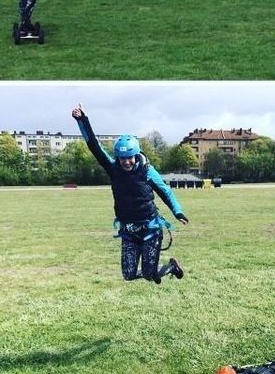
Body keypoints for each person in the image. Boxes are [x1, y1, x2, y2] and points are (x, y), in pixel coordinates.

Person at [71, 104, 189, 284]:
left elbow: (165, 191)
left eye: (130, 157)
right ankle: (163, 269)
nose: (126, 162)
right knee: (128, 275)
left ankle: (171, 267)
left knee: (151, 275)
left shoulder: (147, 171)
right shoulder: (113, 169)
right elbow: (94, 146)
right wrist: (82, 120)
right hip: (128, 231)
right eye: (122, 158)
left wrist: (177, 211)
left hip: (150, 228)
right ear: (118, 157)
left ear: (136, 155)